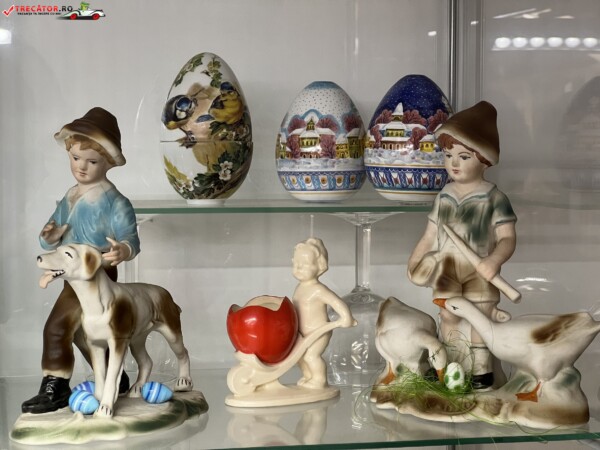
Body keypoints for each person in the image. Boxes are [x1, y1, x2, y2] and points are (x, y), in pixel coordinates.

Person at [22, 107, 141, 413]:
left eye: (92, 161)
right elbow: (51, 234)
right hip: (71, 274)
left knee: (57, 327)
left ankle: (56, 386)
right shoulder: (71, 195)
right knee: (82, 332)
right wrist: (49, 236)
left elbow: (131, 239)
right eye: (75, 158)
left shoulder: (115, 201)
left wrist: (123, 250)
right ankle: (118, 378)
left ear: (109, 162)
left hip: (95, 277)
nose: (82, 167)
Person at [407, 101, 517, 389]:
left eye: (464, 156)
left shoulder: (494, 198)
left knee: (480, 315)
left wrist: (494, 261)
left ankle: (481, 369)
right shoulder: (444, 196)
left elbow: (507, 238)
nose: (454, 163)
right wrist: (415, 261)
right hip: (447, 269)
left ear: (484, 160)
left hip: (477, 270)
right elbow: (430, 235)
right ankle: (447, 364)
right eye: (448, 155)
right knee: (447, 314)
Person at [291, 238, 354, 389]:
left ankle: (319, 380)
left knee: (311, 356)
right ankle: (308, 376)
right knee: (299, 356)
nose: (299, 267)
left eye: (305, 264)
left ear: (320, 267)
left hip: (319, 330)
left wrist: (346, 317)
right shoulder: (299, 288)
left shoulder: (318, 290)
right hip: (302, 333)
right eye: (296, 263)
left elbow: (336, 302)